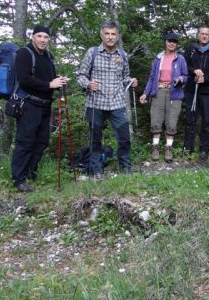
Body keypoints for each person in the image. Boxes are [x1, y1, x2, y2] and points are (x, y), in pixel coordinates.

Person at [76, 21, 138, 179]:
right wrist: (88, 84)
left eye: (113, 34)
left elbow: (124, 77)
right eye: (107, 34)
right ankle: (97, 171)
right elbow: (80, 76)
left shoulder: (122, 55)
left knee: (124, 137)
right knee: (95, 138)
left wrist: (131, 81)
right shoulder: (93, 52)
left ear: (117, 36)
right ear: (101, 34)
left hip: (117, 102)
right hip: (95, 102)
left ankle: (126, 169)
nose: (110, 37)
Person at [11, 24, 68, 192]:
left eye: (46, 37)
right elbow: (24, 80)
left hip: (44, 106)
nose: (43, 40)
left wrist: (58, 81)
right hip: (28, 104)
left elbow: (49, 80)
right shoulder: (24, 53)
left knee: (42, 141)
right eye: (39, 36)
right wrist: (50, 84)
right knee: (25, 141)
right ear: (32, 37)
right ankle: (18, 180)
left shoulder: (48, 56)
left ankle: (30, 173)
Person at [139, 32, 188, 163]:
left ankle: (168, 149)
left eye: (174, 41)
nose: (172, 43)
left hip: (175, 93)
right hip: (158, 92)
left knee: (171, 122)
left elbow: (186, 76)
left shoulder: (181, 59)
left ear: (176, 44)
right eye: (169, 41)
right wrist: (145, 93)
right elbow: (152, 78)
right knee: (156, 120)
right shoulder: (158, 58)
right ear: (165, 42)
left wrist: (182, 79)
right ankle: (155, 148)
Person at [182, 25, 209, 162]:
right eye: (202, 33)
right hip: (191, 90)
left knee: (206, 121)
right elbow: (184, 66)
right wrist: (194, 71)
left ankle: (204, 150)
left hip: (207, 92)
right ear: (198, 35)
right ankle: (187, 149)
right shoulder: (190, 49)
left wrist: (206, 78)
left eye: (207, 34)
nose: (204, 36)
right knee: (190, 120)